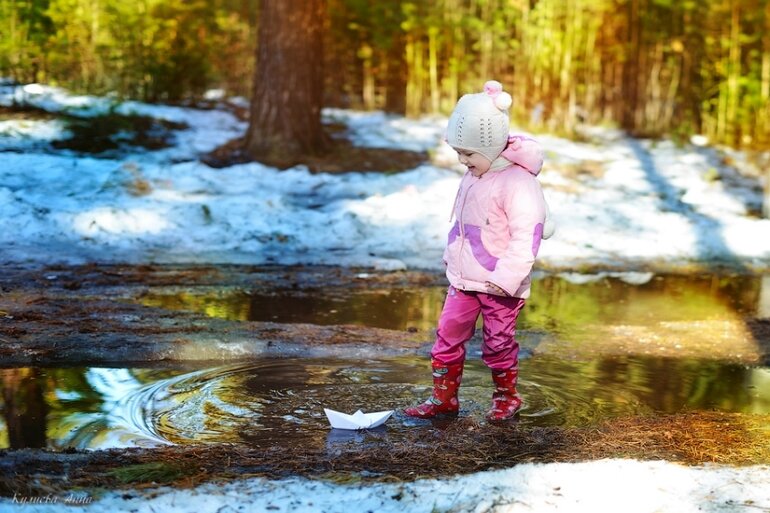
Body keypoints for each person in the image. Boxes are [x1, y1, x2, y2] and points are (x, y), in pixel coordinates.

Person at [404, 80, 553, 422]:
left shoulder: (518, 184)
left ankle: (506, 398)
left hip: (501, 284)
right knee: (446, 337)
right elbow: (461, 223)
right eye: (458, 153)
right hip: (464, 279)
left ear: (491, 146)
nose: (462, 161)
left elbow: (526, 236)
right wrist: (451, 256)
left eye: (469, 153)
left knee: (498, 345)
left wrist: (507, 279)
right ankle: (443, 400)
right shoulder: (473, 176)